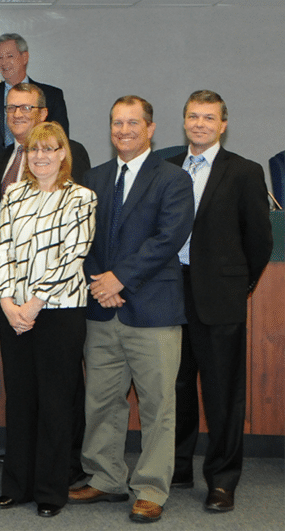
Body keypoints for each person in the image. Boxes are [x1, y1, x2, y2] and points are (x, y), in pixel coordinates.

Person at [70, 96, 194, 524]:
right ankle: (105, 478)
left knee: (158, 406)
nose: (124, 130)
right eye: (117, 123)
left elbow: (168, 237)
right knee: (102, 401)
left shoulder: (173, 178)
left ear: (151, 129)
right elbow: (80, 237)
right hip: (102, 309)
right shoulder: (94, 178)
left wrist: (118, 279)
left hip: (153, 311)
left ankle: (151, 489)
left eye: (132, 123)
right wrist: (100, 282)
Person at [168, 90, 273, 512]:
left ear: (223, 125)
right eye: (194, 116)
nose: (200, 124)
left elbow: (259, 240)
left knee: (222, 393)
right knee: (174, 387)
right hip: (170, 292)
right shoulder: (167, 167)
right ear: (184, 121)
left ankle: (223, 481)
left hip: (219, 296)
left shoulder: (244, 171)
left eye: (209, 118)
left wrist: (238, 285)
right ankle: (177, 467)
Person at [0, 122, 96, 518]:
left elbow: (73, 256)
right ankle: (17, 486)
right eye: (35, 149)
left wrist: (34, 304)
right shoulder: (13, 194)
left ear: (63, 154)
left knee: (55, 402)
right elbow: (3, 251)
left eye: (50, 149)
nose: (41, 156)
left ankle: (51, 489)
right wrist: (6, 301)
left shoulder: (81, 197)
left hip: (59, 313)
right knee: (20, 401)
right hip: (14, 313)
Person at [0, 33, 69, 169]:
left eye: (10, 56)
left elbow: (60, 140)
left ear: (25, 57)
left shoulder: (52, 96)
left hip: (40, 171)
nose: (3, 62)